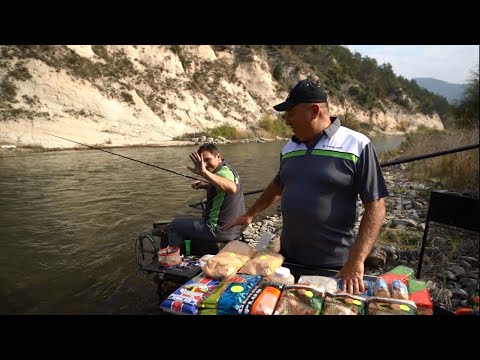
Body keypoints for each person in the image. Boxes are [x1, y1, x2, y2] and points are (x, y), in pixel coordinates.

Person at [223, 79, 388, 295]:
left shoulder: (357, 145)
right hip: (287, 260)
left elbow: (376, 206)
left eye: (291, 113)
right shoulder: (289, 147)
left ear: (314, 111)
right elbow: (278, 184)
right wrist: (250, 214)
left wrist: (356, 261)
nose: (287, 121)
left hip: (335, 265)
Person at [165, 143, 245, 255]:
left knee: (174, 225)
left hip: (219, 229)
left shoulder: (223, 173)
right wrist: (206, 185)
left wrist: (204, 173)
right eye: (202, 162)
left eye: (208, 160)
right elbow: (222, 185)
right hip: (235, 228)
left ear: (218, 156)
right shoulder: (228, 169)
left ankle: (176, 262)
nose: (205, 165)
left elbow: (231, 188)